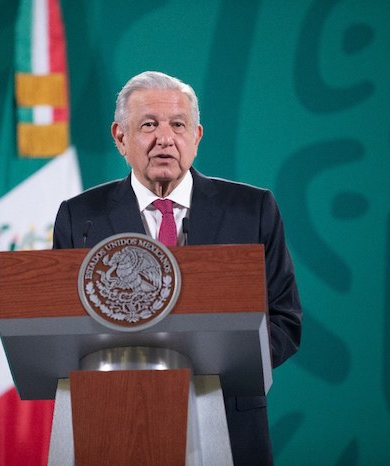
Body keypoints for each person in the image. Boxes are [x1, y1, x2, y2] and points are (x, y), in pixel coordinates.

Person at [53, 70, 302, 465]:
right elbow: (59, 327)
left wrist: (227, 361)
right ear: (120, 137)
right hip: (115, 419)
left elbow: (285, 320)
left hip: (227, 418)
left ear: (197, 136)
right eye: (149, 125)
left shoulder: (252, 210)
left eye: (178, 125)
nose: (165, 138)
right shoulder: (80, 218)